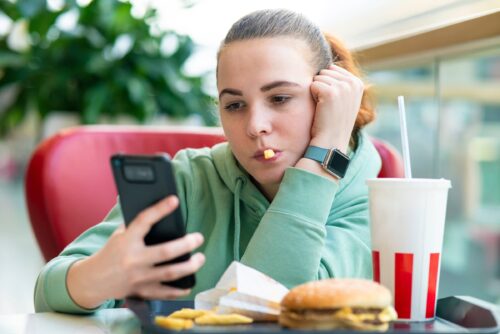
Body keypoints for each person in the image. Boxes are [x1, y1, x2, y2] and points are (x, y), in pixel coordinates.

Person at [34, 9, 380, 314]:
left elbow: (270, 305)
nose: (255, 125)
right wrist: (97, 278)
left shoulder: (371, 201)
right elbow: (47, 291)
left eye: (280, 98)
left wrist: (325, 155)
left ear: (329, 99)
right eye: (234, 105)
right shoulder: (187, 179)